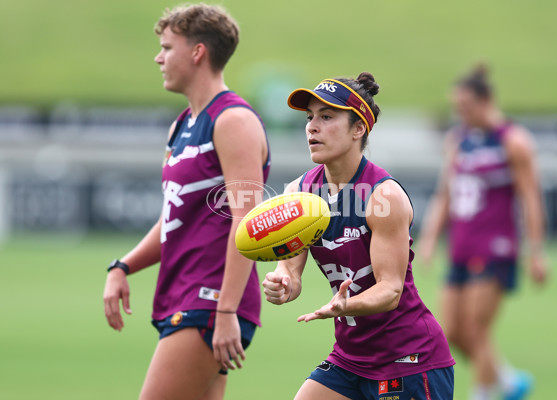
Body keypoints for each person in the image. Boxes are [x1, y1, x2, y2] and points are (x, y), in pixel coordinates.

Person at [102, 4, 270, 400]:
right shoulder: (183, 124)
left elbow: (248, 222)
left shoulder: (233, 122)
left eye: (167, 47)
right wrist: (123, 266)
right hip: (184, 295)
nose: (158, 58)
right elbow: (174, 217)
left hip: (210, 302)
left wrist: (226, 311)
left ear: (197, 52)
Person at [262, 72, 455, 400]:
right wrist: (282, 282)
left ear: (358, 129)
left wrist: (344, 305)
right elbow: (291, 272)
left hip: (409, 359)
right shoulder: (299, 193)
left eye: (326, 117)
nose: (312, 126)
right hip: (350, 357)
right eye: (310, 117)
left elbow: (390, 290)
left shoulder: (383, 197)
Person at [418, 64, 548, 400]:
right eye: (457, 107)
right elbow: (445, 193)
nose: (461, 113)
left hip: (496, 247)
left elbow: (531, 199)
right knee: (452, 332)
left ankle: (485, 393)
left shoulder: (513, 141)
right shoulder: (458, 140)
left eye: (467, 106)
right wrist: (430, 238)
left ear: (486, 101)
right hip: (461, 246)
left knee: (478, 329)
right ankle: (508, 381)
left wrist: (537, 252)